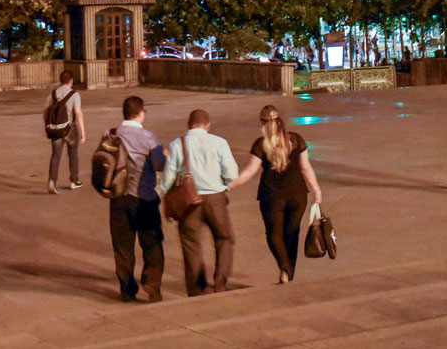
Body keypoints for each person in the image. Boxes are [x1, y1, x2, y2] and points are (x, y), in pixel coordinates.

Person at [230, 105, 323, 284]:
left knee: (274, 235)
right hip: (298, 195)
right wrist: (317, 191)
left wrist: (228, 185)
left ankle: (285, 267)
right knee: (292, 234)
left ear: (264, 123)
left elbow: (249, 172)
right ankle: (288, 274)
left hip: (272, 196)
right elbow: (305, 167)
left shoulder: (261, 144)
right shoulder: (296, 140)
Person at [159, 109, 238, 296]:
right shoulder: (219, 142)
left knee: (191, 244)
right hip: (215, 199)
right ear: (208, 125)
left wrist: (160, 193)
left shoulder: (178, 144)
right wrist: (223, 184)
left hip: (189, 202)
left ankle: (197, 288)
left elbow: (168, 177)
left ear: (188, 125)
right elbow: (231, 174)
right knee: (225, 238)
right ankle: (220, 282)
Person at [110, 95, 166, 302]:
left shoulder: (111, 134)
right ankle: (152, 285)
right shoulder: (149, 138)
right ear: (141, 114)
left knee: (123, 246)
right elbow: (160, 164)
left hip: (117, 199)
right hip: (144, 199)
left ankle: (127, 289)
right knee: (151, 243)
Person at [47, 70, 86, 194]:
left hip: (56, 129)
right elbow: (78, 113)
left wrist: (49, 126)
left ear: (60, 80)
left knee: (55, 155)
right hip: (70, 129)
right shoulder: (74, 94)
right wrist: (83, 132)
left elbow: (47, 111)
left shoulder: (53, 94)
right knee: (73, 154)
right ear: (71, 81)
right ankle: (74, 181)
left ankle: (52, 181)